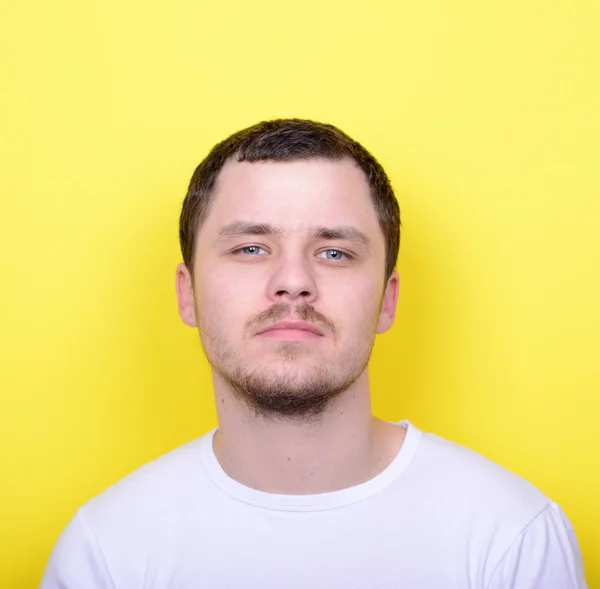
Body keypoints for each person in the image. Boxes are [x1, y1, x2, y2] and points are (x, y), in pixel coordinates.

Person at [40, 118, 588, 588]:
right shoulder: (106, 550)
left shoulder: (512, 536)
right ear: (188, 294)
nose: (294, 281)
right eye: (251, 248)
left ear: (386, 301)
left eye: (334, 251)